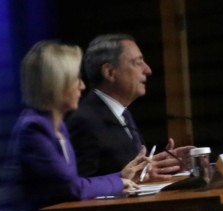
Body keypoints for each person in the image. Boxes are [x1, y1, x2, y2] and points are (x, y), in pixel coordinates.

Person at [0, 40, 147, 211]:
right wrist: (118, 183)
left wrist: (121, 176)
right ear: (57, 84)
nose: (82, 86)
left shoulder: (57, 125)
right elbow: (71, 188)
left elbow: (73, 184)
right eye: (76, 79)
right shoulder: (34, 129)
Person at [67, 34, 193, 180]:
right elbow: (79, 185)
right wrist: (127, 177)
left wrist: (153, 166)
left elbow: (129, 169)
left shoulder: (122, 113)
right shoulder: (84, 120)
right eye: (137, 62)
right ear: (109, 72)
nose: (148, 70)